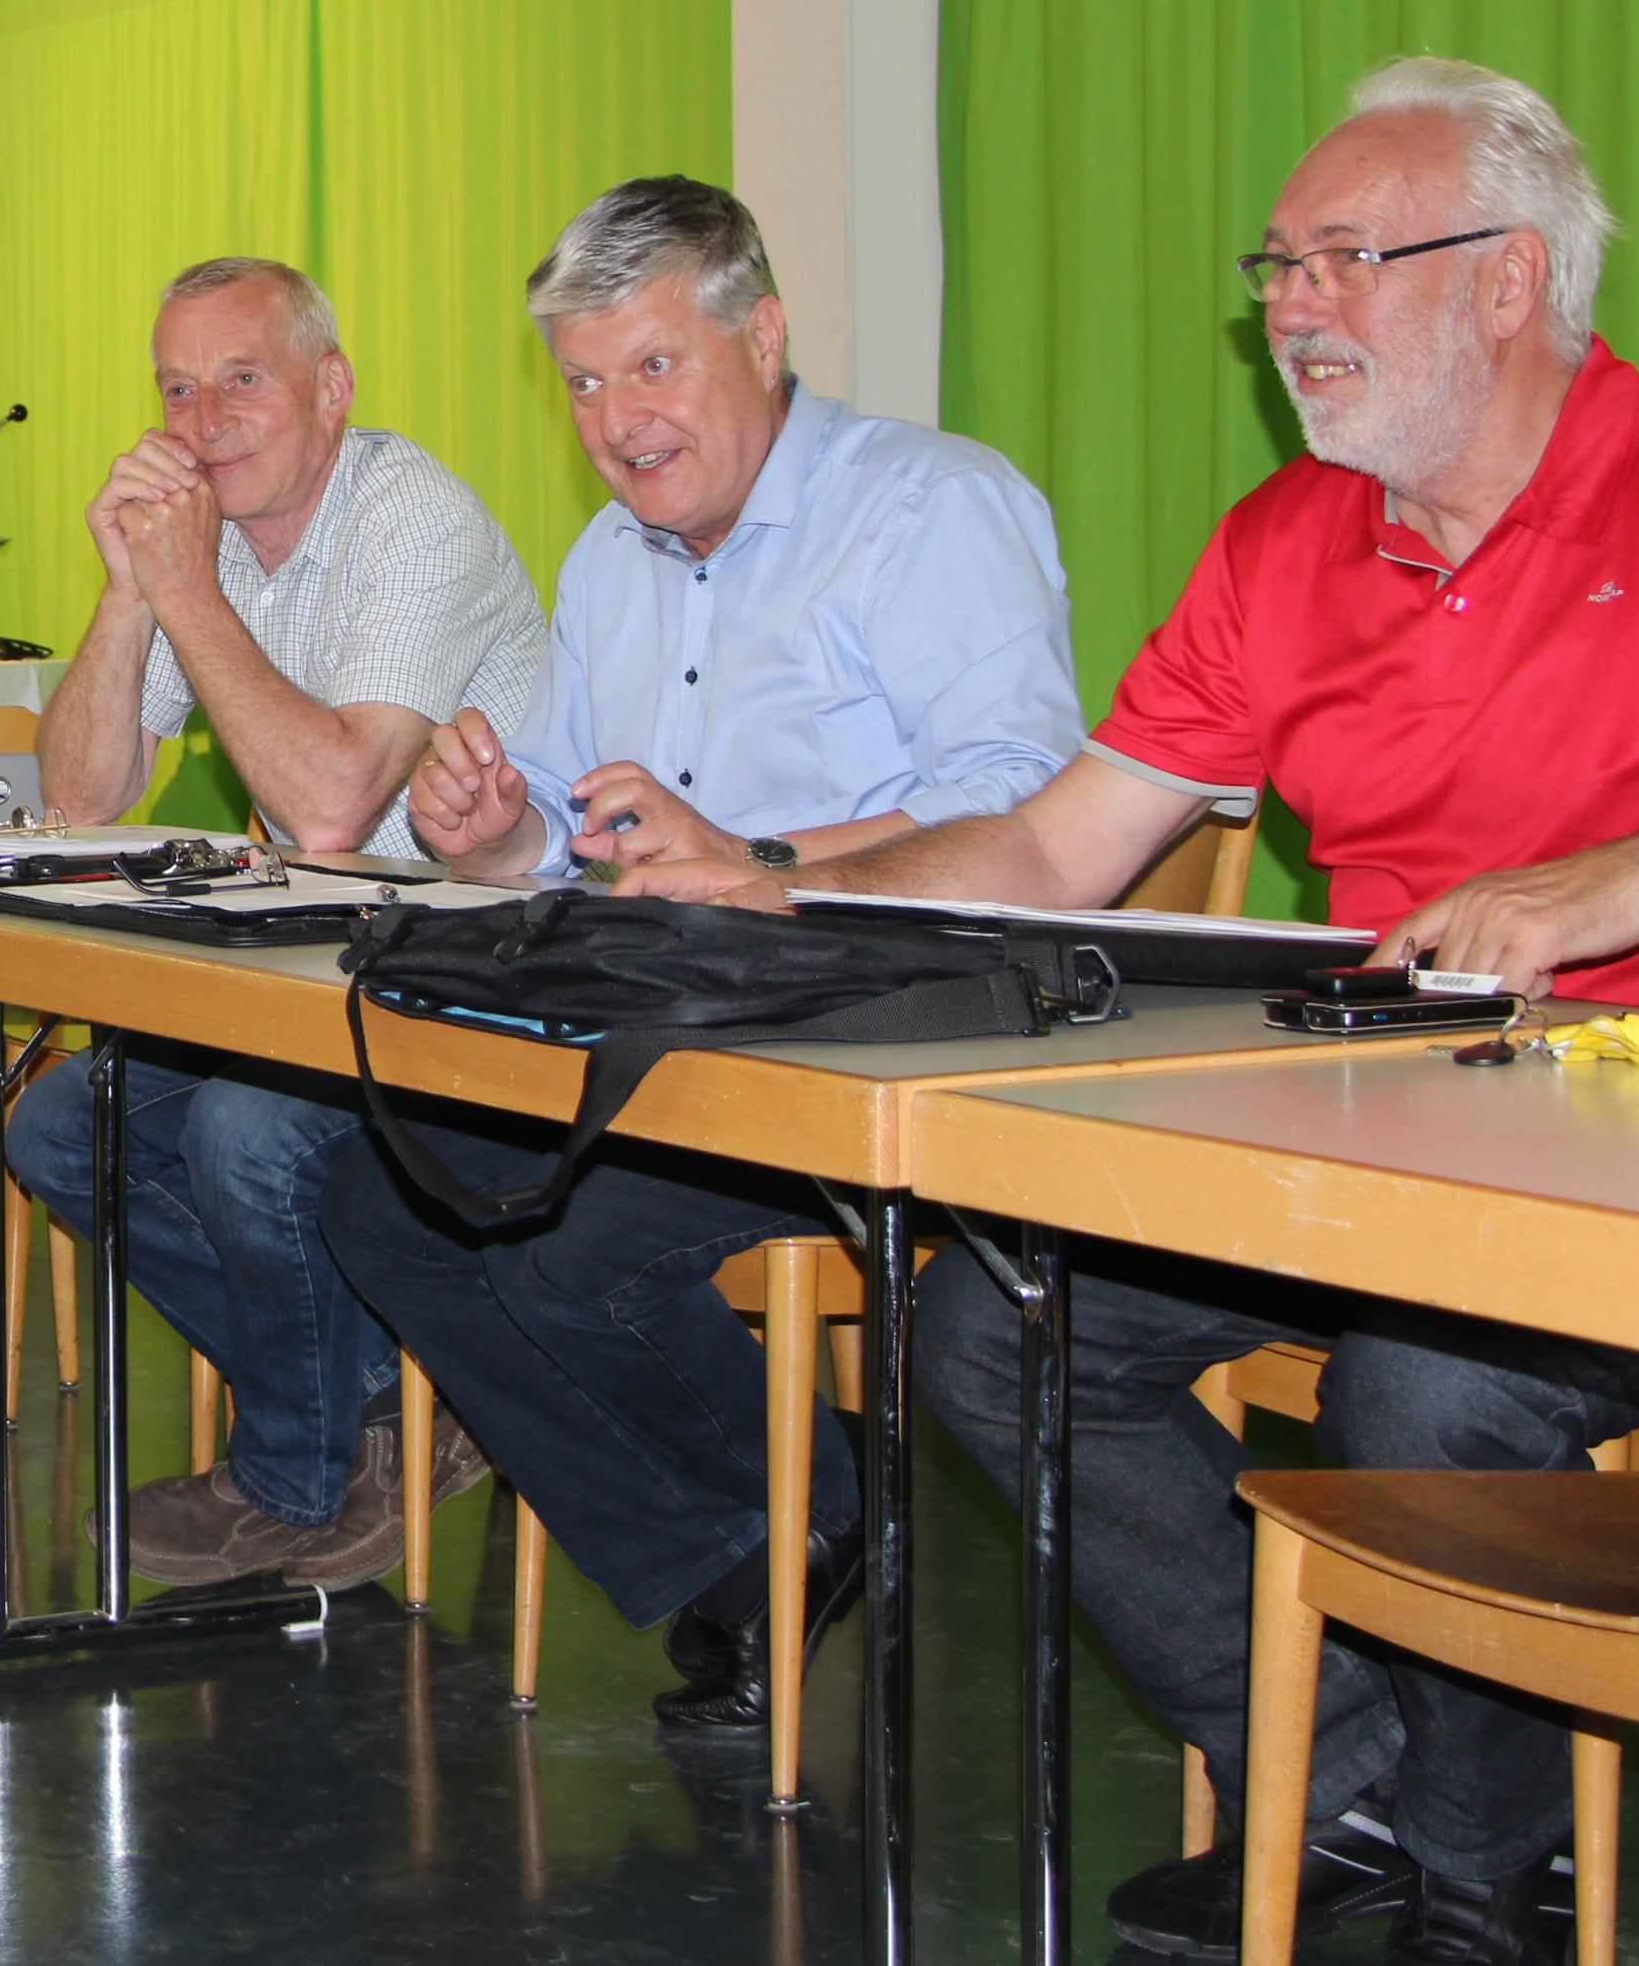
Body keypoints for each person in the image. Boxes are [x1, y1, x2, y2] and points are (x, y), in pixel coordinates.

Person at [618, 61, 1639, 1966]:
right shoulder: (1284, 541)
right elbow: (1052, 850)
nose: (1291, 305)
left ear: (1506, 282)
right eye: (1277, 264)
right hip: (1372, 1135)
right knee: (992, 1329)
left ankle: (1484, 1876)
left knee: (1421, 1382)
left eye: (1346, 258)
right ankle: (1350, 1781)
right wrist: (773, 882)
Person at [317, 176, 1081, 1738]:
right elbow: (564, 822)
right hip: (672, 1021)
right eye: (584, 383)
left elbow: (1027, 800)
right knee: (381, 1194)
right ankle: (759, 1541)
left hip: (883, 1023)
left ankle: (805, 1515)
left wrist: (764, 863)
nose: (616, 422)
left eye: (652, 366)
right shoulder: (610, 557)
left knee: (572, 1249)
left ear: (765, 335)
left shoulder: (929, 506)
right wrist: (488, 829)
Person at [5, 255, 544, 1585]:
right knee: (62, 1125)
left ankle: (293, 1484)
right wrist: (129, 589)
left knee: (246, 1133)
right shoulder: (205, 544)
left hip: (488, 970)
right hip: (318, 966)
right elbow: (80, 799)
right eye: (177, 390)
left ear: (332, 388)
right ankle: (393, 1409)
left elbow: (331, 811)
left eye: (242, 379)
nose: (204, 422)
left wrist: (185, 590)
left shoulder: (413, 520)